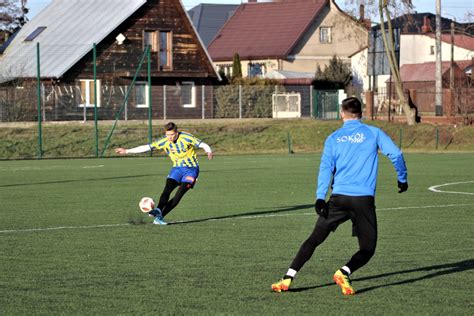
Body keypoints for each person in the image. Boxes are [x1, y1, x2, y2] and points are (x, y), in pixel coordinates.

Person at [271, 97, 408, 295]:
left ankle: (287, 278)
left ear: (342, 113)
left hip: (338, 199)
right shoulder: (373, 133)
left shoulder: (334, 138)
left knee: (314, 239)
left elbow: (326, 168)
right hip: (363, 200)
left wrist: (320, 197)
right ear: (361, 113)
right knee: (367, 249)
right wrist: (402, 179)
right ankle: (344, 272)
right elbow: (396, 154)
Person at [115, 122, 213, 225]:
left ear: (176, 133)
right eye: (167, 135)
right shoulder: (164, 141)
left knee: (178, 195)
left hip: (191, 170)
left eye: (171, 135)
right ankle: (158, 209)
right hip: (177, 169)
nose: (169, 137)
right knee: (167, 189)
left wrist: (208, 151)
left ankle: (160, 217)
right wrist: (127, 151)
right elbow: (147, 147)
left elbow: (202, 144)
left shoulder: (186, 137)